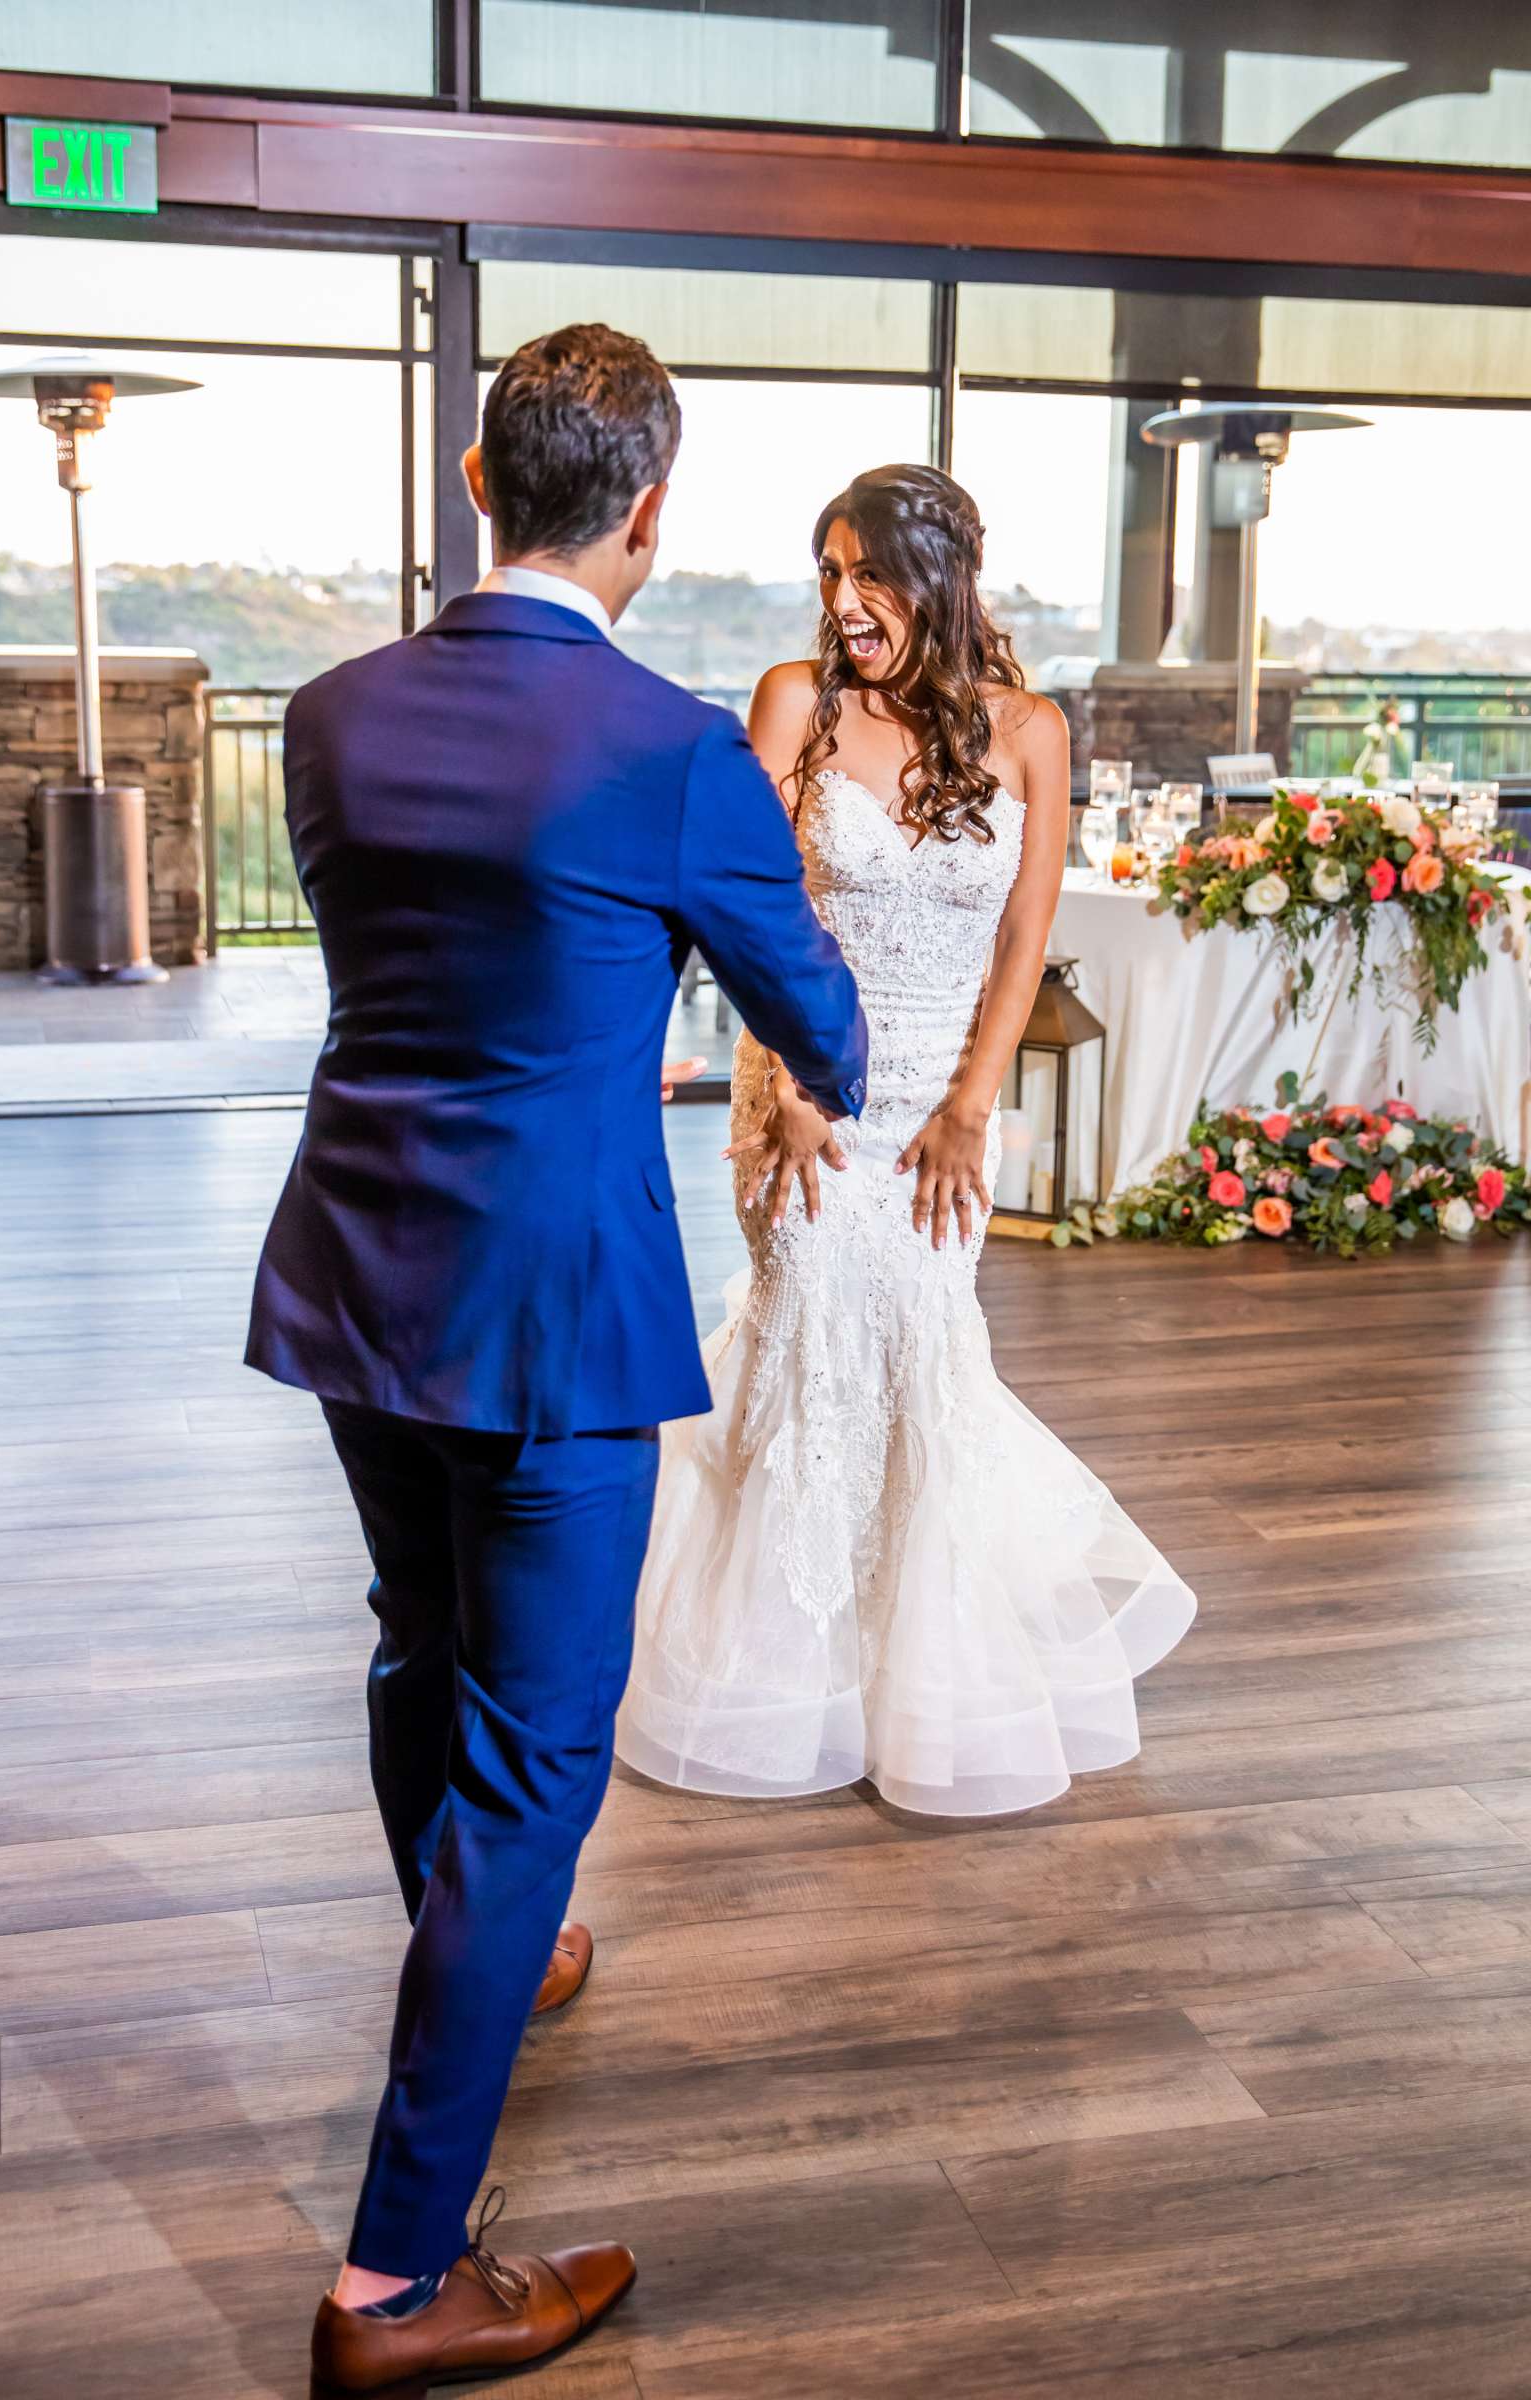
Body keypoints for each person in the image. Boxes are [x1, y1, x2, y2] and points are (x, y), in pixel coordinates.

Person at [245, 324, 867, 2392]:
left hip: (358, 1278)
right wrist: (825, 1033)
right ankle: (392, 2284)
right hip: (554, 1317)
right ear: (652, 516)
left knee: (419, 1652)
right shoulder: (669, 752)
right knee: (535, 1765)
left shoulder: (326, 718)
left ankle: (501, 1943)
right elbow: (815, 1015)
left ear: (468, 472)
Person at [616, 464, 1195, 1818]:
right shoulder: (794, 704)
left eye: (862, 574)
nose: (840, 602)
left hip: (948, 1099)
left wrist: (969, 1108)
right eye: (826, 575)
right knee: (812, 1335)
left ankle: (916, 1673)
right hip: (813, 1098)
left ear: (935, 578)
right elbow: (728, 904)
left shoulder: (1033, 731)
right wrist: (787, 1086)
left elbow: (1023, 941)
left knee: (924, 1349)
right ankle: (784, 1676)